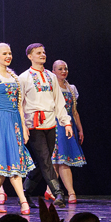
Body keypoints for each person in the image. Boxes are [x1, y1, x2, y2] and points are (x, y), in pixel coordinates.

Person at [0, 43, 34, 215]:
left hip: (14, 122)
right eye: (4, 53)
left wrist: (24, 127)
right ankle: (23, 202)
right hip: (1, 122)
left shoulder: (14, 77)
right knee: (7, 163)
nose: (8, 56)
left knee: (7, 164)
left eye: (9, 53)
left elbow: (19, 106)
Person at [18, 43, 72, 207]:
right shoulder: (24, 77)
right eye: (38, 53)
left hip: (50, 123)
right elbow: (19, 104)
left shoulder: (51, 76)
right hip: (33, 125)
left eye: (44, 52)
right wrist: (23, 126)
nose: (42, 55)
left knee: (42, 162)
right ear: (30, 56)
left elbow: (58, 101)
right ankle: (58, 193)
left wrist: (66, 123)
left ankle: (25, 192)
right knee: (45, 160)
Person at [50, 59, 85, 202]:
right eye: (60, 69)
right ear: (53, 71)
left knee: (58, 160)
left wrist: (80, 130)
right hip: (57, 125)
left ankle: (50, 190)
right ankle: (71, 192)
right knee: (60, 160)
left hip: (69, 126)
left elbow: (74, 112)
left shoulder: (71, 88)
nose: (64, 71)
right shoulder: (52, 88)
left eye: (65, 69)